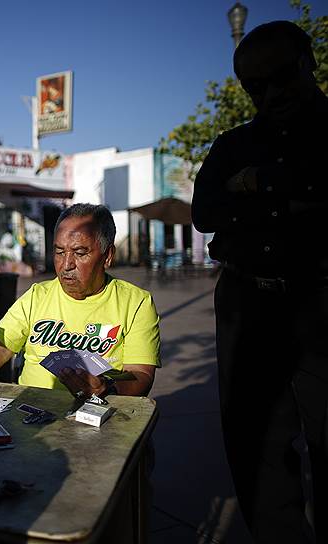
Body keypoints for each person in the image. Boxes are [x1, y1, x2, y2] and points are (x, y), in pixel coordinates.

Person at [191, 21, 327, 543]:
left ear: (308, 63)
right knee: (256, 450)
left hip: (320, 301)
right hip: (249, 307)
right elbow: (206, 211)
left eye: (282, 76)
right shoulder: (234, 144)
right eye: (255, 86)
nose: (271, 94)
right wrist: (293, 199)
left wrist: (258, 185)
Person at [0, 203, 160, 398]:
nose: (66, 265)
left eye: (80, 253)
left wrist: (106, 388)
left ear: (107, 256)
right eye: (59, 252)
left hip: (103, 421)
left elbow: (141, 376)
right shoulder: (37, 296)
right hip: (32, 420)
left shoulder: (136, 303)